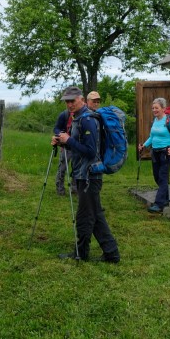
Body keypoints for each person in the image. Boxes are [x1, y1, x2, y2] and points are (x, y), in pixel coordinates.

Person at [52, 86, 120, 263]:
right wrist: (63, 143)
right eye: (67, 101)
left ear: (81, 99)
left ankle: (80, 253)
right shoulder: (78, 118)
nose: (69, 104)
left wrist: (69, 140)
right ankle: (111, 253)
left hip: (90, 176)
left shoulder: (88, 120)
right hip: (84, 174)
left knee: (84, 216)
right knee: (96, 215)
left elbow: (91, 151)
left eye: (72, 101)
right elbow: (78, 147)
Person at [138, 97, 170, 214]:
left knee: (162, 176)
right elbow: (152, 137)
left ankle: (159, 204)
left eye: (156, 108)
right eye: (153, 108)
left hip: (166, 152)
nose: (154, 110)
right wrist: (144, 145)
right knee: (157, 177)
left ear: (163, 108)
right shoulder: (156, 120)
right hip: (155, 152)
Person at [53, 108, 77, 196]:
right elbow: (56, 128)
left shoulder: (82, 114)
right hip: (65, 146)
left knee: (76, 168)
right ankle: (60, 189)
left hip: (78, 146)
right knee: (62, 168)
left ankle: (75, 189)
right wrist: (61, 134)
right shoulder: (64, 114)